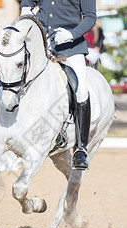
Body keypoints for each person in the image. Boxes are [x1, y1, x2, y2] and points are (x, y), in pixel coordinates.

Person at [20, 0, 96, 169]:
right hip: (42, 40)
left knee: (81, 89)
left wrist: (71, 34)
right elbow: (29, 1)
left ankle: (80, 149)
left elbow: (90, 18)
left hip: (70, 44)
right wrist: (26, 7)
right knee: (17, 68)